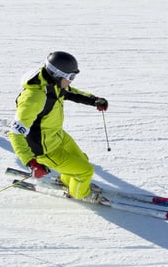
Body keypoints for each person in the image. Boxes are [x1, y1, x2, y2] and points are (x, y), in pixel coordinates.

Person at [8, 51, 109, 200]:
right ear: (57, 74)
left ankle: (69, 180)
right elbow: (15, 133)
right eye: (70, 77)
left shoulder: (52, 84)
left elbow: (69, 92)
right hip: (45, 149)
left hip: (57, 135)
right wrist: (31, 162)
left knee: (82, 160)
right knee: (86, 170)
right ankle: (80, 194)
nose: (71, 81)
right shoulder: (34, 98)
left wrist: (94, 100)